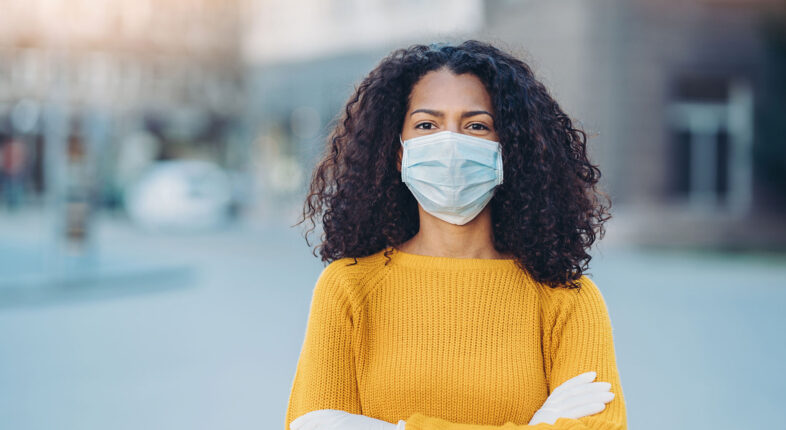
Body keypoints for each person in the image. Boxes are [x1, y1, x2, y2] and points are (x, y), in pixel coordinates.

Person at [286, 40, 626, 430]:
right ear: (397, 152)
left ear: (509, 148)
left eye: (476, 126)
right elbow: (311, 424)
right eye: (427, 125)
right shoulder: (348, 288)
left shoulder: (566, 299)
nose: (449, 142)